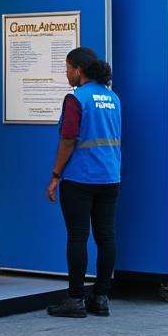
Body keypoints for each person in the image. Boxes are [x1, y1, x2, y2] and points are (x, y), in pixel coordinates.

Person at [42, 47, 123, 318]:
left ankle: (75, 299)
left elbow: (68, 139)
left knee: (78, 236)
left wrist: (55, 175)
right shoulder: (112, 97)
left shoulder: (76, 98)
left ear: (78, 70)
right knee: (106, 236)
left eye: (67, 68)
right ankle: (100, 297)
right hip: (110, 176)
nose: (66, 74)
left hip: (81, 177)